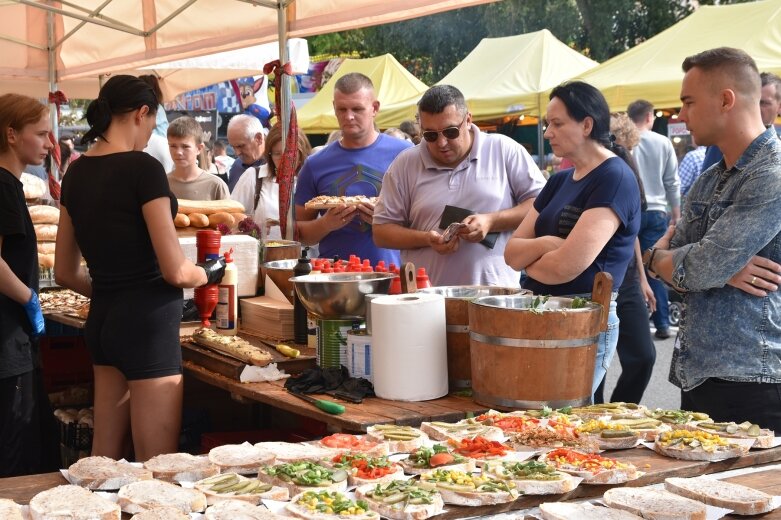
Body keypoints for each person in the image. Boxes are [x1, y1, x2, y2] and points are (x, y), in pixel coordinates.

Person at [54, 75, 226, 461]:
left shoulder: (76, 172)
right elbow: (175, 271)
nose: (151, 133)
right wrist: (209, 272)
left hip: (104, 320)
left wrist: (115, 292)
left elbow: (65, 272)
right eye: (153, 123)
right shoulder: (142, 168)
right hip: (147, 324)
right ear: (141, 113)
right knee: (157, 466)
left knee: (102, 463)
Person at [642, 47, 781, 430]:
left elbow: (698, 269)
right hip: (700, 374)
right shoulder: (707, 178)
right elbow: (675, 268)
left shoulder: (771, 175)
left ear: (725, 100)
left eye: (688, 102)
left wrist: (693, 264)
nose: (681, 115)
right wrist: (705, 266)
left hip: (756, 379)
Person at [504, 81, 641, 397]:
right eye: (547, 124)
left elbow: (565, 268)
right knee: (536, 416)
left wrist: (533, 261)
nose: (547, 132)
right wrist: (544, 245)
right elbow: (511, 253)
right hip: (539, 312)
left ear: (587, 125)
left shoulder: (614, 177)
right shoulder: (559, 179)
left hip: (583, 318)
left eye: (556, 123)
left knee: (561, 419)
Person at [373, 85, 545, 286]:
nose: (442, 142)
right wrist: (427, 239)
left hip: (495, 297)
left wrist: (491, 221)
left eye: (451, 132)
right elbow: (381, 232)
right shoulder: (405, 164)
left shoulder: (504, 150)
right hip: (426, 300)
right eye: (430, 135)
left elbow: (541, 206)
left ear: (468, 120)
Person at [0, 93, 59, 477]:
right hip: (6, 341)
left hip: (11, 340)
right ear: (11, 135)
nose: (49, 144)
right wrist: (29, 298)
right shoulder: (3, 187)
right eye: (40, 134)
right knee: (13, 453)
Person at [294, 73, 410, 265]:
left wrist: (386, 222)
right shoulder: (315, 164)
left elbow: (425, 221)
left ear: (374, 108)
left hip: (394, 277)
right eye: (342, 109)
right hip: (335, 277)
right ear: (334, 108)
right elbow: (298, 232)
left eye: (357, 109)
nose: (349, 116)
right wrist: (325, 224)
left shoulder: (406, 155)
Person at [594, 112, 656, 404]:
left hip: (627, 278)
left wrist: (643, 278)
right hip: (595, 281)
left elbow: (630, 229)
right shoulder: (580, 174)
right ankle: (595, 423)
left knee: (643, 356)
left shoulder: (623, 164)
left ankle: (620, 412)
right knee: (596, 368)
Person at [627, 99, 681, 340]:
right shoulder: (662, 142)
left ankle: (633, 323)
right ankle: (661, 323)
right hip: (658, 210)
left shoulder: (625, 143)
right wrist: (676, 213)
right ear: (650, 116)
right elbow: (672, 181)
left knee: (629, 267)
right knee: (655, 266)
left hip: (630, 209)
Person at [232, 124, 312, 240]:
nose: (284, 159)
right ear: (270, 155)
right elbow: (232, 218)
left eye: (290, 153)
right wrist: (255, 225)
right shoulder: (254, 177)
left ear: (301, 153)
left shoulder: (311, 180)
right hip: (265, 255)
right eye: (277, 154)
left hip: (307, 255)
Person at [700, 71, 781, 172]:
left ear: (779, 107)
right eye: (752, 101)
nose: (756, 108)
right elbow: (708, 184)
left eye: (763, 103)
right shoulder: (727, 140)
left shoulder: (777, 144)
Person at [166, 116, 230, 201]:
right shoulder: (161, 184)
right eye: (173, 146)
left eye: (185, 146)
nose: (178, 152)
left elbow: (227, 213)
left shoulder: (216, 185)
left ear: (199, 148)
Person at [226, 114, 266, 192]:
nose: (237, 153)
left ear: (258, 138)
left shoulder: (275, 166)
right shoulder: (236, 166)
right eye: (233, 147)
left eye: (241, 146)